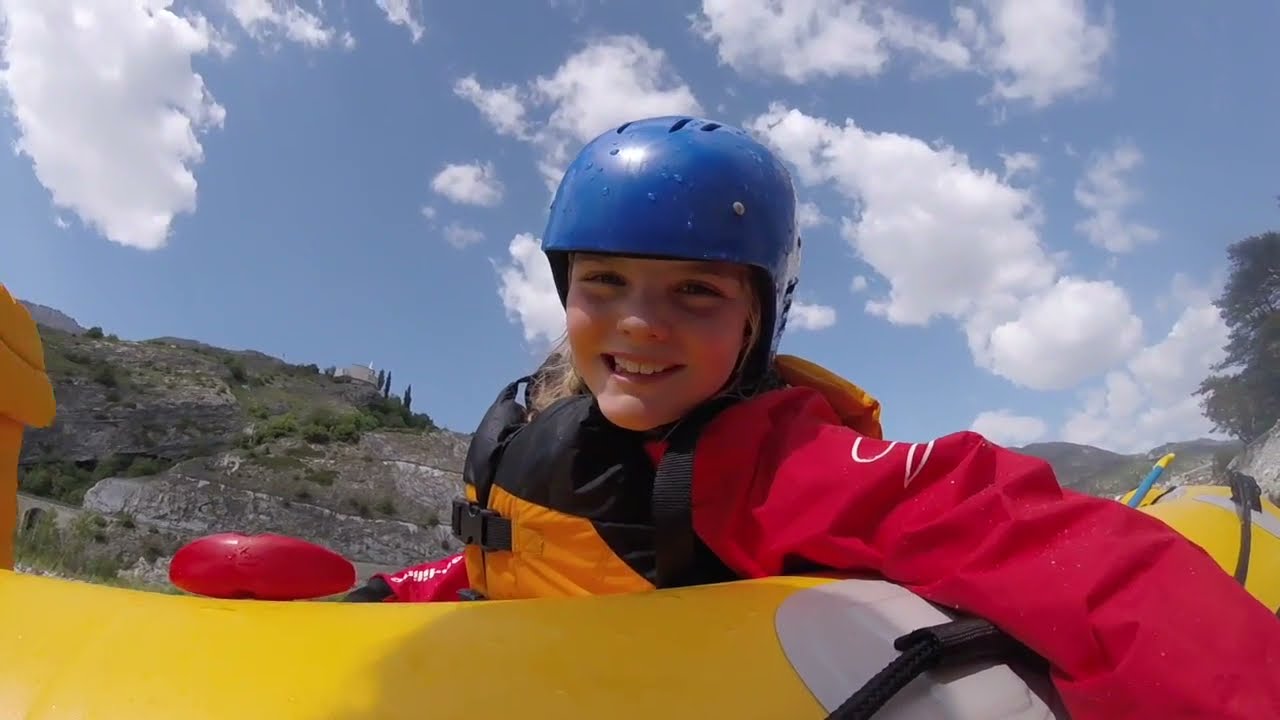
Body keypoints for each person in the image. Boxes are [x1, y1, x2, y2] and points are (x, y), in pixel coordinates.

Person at [348, 116, 1280, 717]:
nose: (640, 321)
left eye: (696, 292)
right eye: (605, 282)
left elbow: (1030, 534)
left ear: (761, 320)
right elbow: (520, 565)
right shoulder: (544, 428)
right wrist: (391, 594)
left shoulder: (762, 460)